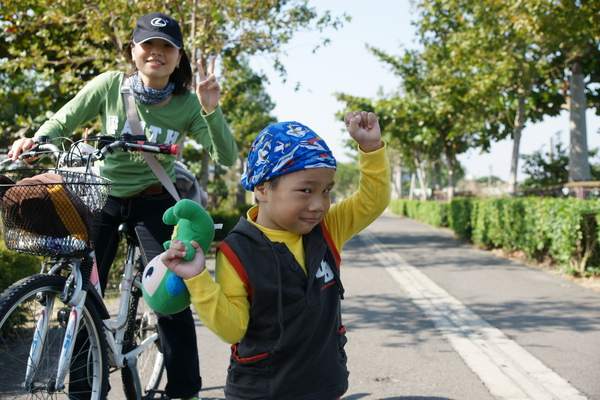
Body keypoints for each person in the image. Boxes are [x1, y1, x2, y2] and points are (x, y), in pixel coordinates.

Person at [9, 11, 238, 400]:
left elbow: (226, 157)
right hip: (103, 197)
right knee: (81, 296)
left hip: (156, 204)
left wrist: (211, 109)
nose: (156, 53)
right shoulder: (109, 86)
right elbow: (64, 119)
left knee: (170, 294)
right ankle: (85, 389)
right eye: (148, 44)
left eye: (167, 47)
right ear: (133, 51)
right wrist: (37, 139)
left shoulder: (186, 103)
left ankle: (185, 391)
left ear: (178, 57)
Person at [161, 111, 391, 399]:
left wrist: (370, 150)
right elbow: (232, 329)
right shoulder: (236, 251)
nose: (319, 204)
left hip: (325, 385)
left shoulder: (328, 228)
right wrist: (198, 278)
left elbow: (373, 200)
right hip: (261, 391)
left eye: (326, 191)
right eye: (305, 190)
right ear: (262, 189)